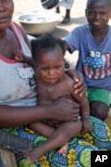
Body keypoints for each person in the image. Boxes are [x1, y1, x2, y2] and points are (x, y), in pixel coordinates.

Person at [0, 0, 111, 167]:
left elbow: (40, 65)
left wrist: (68, 74)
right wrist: (48, 111)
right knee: (90, 158)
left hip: (47, 111)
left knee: (102, 134)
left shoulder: (16, 30)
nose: (1, 8)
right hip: (8, 131)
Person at [14, 34, 92, 163]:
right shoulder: (38, 75)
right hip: (46, 121)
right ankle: (60, 140)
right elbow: (32, 61)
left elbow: (83, 101)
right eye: (45, 69)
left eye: (57, 67)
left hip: (68, 121)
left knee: (72, 127)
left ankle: (42, 149)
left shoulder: (69, 83)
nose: (51, 73)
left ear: (64, 63)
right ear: (37, 65)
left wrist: (86, 118)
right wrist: (23, 58)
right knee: (31, 121)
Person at [65, 0, 111, 121]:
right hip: (79, 84)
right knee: (68, 110)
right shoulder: (80, 33)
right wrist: (58, 57)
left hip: (102, 87)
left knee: (100, 112)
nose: (97, 17)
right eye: (92, 12)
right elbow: (63, 45)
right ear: (86, 13)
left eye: (102, 13)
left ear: (110, 13)